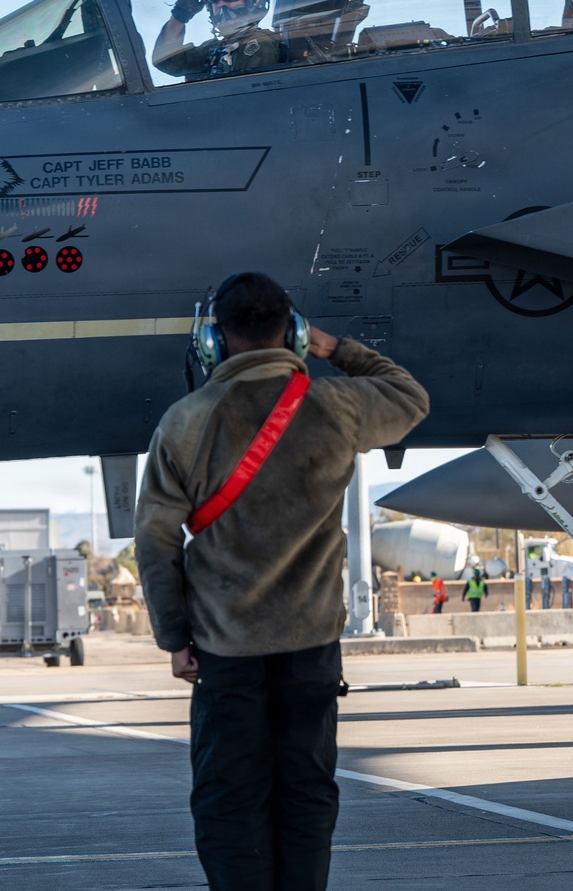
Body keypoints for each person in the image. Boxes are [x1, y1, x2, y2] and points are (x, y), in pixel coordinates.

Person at [134, 271, 429, 891]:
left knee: (228, 803)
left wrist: (174, 638)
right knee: (306, 797)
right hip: (310, 652)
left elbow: (156, 540)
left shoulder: (184, 422)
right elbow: (409, 398)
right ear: (292, 334)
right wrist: (337, 349)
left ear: (214, 341)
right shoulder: (336, 407)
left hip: (225, 652)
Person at [152, 0, 284, 80]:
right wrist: (181, 14)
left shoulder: (258, 44)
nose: (220, 3)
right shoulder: (217, 48)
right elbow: (167, 61)